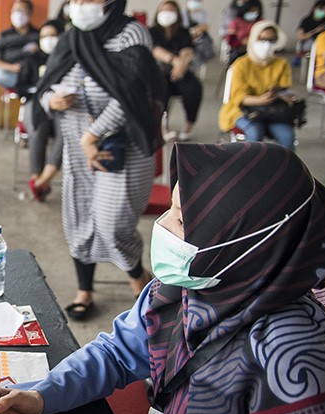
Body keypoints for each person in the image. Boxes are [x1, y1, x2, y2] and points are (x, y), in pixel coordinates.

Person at [0, 142, 325, 414]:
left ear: (237, 242)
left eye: (178, 219)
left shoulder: (293, 362)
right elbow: (115, 353)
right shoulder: (189, 285)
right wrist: (39, 397)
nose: (160, 225)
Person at [33, 0, 163, 319]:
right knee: (77, 220)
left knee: (111, 222)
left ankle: (137, 278)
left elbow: (132, 95)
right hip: (78, 147)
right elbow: (45, 87)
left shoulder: (131, 35)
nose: (79, 5)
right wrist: (53, 100)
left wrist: (93, 135)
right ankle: (85, 290)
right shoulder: (71, 37)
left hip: (123, 146)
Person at [218, 21, 296, 151]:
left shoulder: (281, 64)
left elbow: (285, 88)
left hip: (273, 110)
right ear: (253, 39)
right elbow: (239, 98)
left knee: (287, 136)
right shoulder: (241, 64)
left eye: (271, 40)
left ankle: (284, 170)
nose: (266, 44)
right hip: (241, 110)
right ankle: (250, 169)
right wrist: (262, 99)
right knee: (255, 131)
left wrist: (286, 96)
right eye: (262, 39)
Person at [150, 0, 202, 141]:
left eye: (170, 11)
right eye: (164, 10)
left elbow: (188, 51)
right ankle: (163, 128)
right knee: (160, 90)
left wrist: (181, 66)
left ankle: (187, 127)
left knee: (194, 89)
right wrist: (175, 60)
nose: (167, 14)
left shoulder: (183, 32)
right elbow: (155, 50)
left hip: (181, 71)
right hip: (159, 72)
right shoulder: (152, 31)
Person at [25, 19, 64, 201]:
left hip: (61, 106)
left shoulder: (67, 58)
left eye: (52, 36)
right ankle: (36, 177)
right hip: (35, 103)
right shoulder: (33, 58)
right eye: (44, 36)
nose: (48, 40)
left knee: (66, 133)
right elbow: (20, 84)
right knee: (37, 128)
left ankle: (44, 179)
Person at [0, 0, 39, 91]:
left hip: (32, 72)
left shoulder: (37, 34)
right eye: (15, 10)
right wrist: (11, 67)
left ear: (29, 13)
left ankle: (30, 87)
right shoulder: (4, 35)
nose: (18, 14)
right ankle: (25, 89)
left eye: (22, 10)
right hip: (13, 73)